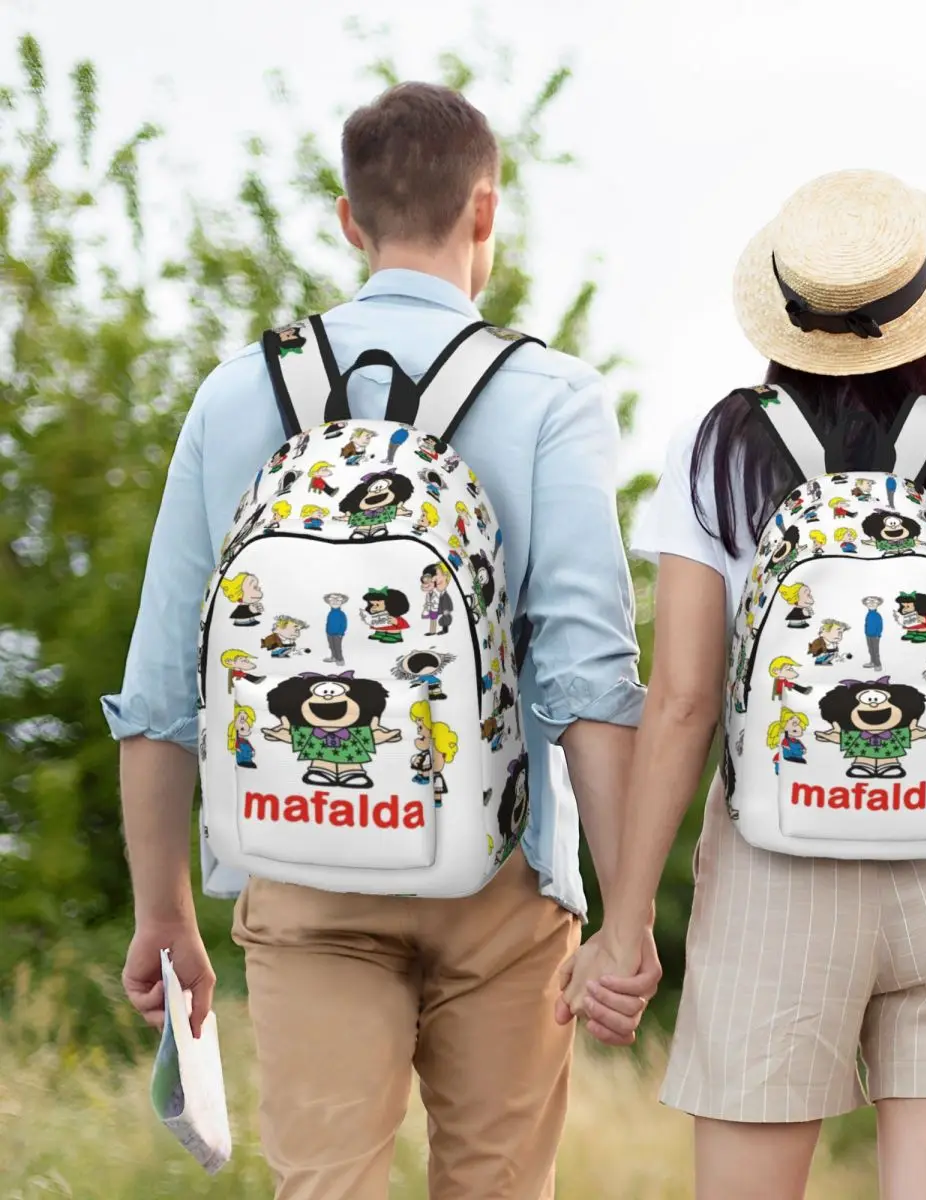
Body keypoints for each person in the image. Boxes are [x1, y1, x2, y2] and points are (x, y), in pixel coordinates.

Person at [103, 81, 659, 1200]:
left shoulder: (235, 395)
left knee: (326, 1186)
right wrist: (627, 916)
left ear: (349, 220)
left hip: (300, 865)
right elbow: (589, 678)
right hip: (501, 876)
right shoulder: (550, 396)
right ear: (485, 213)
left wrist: (162, 913)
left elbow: (164, 684)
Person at [558, 169, 926, 1200]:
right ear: (924, 314)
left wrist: (623, 927)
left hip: (773, 884)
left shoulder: (717, 450)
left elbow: (683, 704)